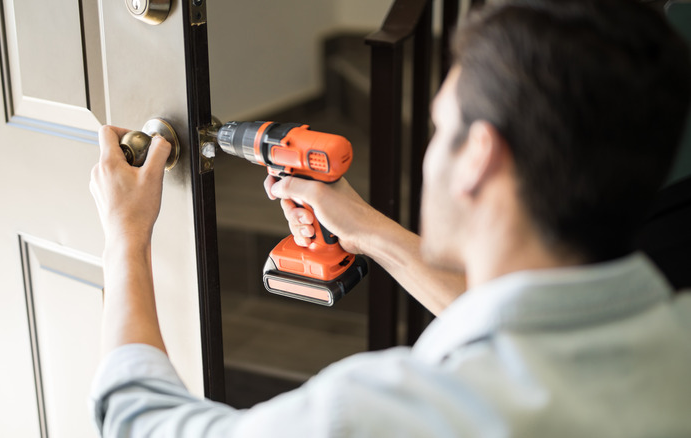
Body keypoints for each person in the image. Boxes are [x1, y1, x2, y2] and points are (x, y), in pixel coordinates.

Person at [88, 0, 691, 436]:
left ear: (479, 157)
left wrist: (126, 235)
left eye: (440, 127)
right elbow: (522, 321)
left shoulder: (389, 413)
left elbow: (140, 422)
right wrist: (366, 228)